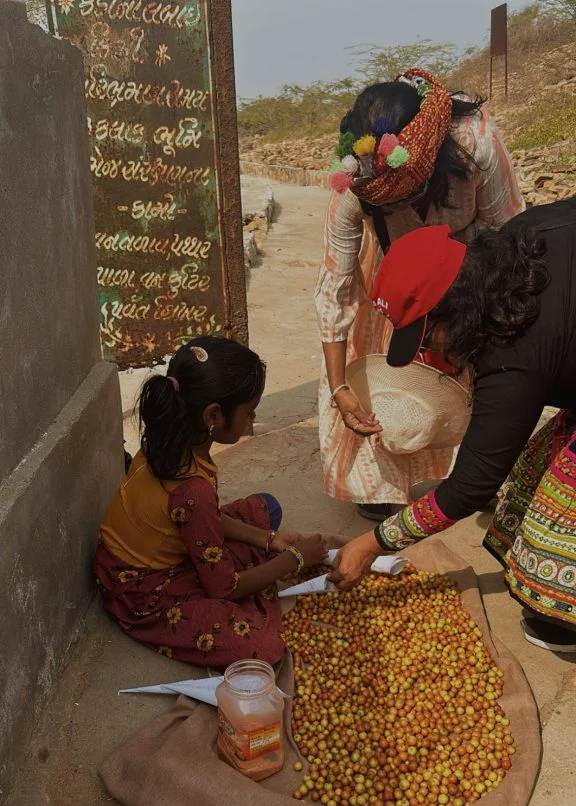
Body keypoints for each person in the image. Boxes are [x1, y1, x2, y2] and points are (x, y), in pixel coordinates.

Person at [330, 201, 576, 654]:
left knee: (559, 517)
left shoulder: (514, 354)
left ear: (458, 312)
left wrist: (373, 543)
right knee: (533, 478)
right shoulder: (516, 239)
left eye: (428, 336)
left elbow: (470, 486)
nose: (427, 350)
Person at [315, 66, 524, 522]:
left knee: (478, 368)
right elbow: (334, 290)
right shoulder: (353, 186)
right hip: (394, 273)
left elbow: (508, 236)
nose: (396, 212)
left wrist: (468, 306)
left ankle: (473, 477)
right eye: (383, 208)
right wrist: (340, 388)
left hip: (471, 264)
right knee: (386, 366)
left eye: (403, 202)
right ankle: (382, 485)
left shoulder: (476, 145)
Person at [95, 337, 327, 666]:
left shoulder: (165, 437)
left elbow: (201, 519)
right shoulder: (192, 490)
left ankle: (250, 554)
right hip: (140, 592)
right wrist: (295, 559)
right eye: (249, 411)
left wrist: (269, 540)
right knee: (263, 648)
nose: (253, 419)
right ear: (213, 415)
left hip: (150, 550)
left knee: (266, 508)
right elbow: (226, 589)